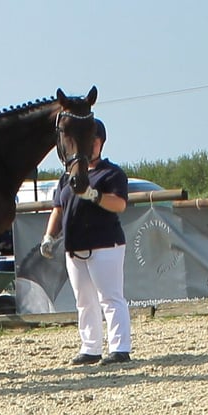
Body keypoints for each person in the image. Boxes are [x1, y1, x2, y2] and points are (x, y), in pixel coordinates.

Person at [40, 118, 132, 366]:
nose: (90, 146)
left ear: (101, 143)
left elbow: (119, 204)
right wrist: (50, 235)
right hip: (74, 246)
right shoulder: (66, 178)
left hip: (105, 244)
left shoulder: (112, 173)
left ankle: (120, 347)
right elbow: (57, 209)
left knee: (110, 297)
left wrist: (94, 195)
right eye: (86, 142)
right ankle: (90, 347)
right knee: (84, 300)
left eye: (94, 141)